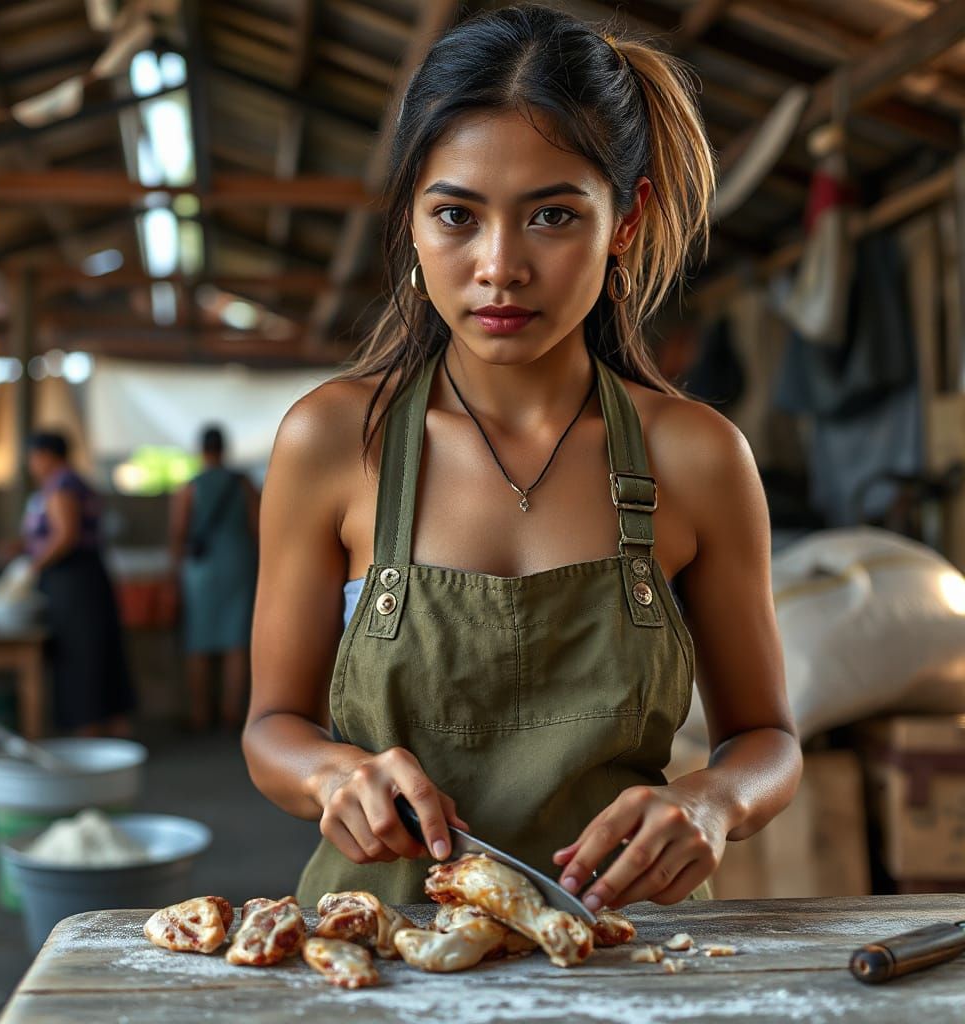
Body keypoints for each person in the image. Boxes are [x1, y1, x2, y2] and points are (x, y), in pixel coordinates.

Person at [245, 4, 802, 912]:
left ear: (626, 220)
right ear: (413, 224)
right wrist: (328, 776)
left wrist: (710, 800)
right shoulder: (336, 441)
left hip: (625, 957)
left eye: (552, 215)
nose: (499, 266)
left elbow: (767, 738)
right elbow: (273, 727)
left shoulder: (697, 457)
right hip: (384, 956)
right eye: (457, 215)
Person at [22, 430, 134, 737]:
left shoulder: (61, 486)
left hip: (74, 581)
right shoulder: (73, 482)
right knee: (97, 649)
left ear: (46, 455)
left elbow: (66, 535)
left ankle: (91, 731)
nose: (32, 464)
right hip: (86, 577)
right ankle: (110, 729)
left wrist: (31, 567)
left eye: (33, 456)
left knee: (81, 652)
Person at [170, 425, 259, 732]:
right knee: (236, 641)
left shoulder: (189, 488)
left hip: (201, 570)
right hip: (238, 564)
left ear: (201, 450)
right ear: (224, 448)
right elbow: (258, 525)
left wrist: (174, 576)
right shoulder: (243, 484)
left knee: (199, 641)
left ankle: (200, 714)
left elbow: (178, 534)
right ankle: (232, 713)